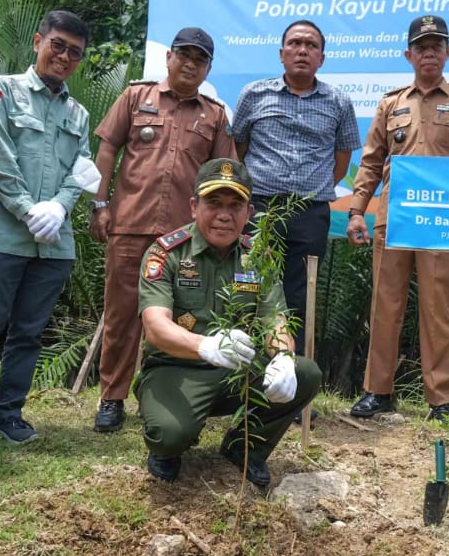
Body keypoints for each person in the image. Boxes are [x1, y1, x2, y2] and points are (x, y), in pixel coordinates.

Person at [0, 10, 98, 449]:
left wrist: (60, 206)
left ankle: (9, 415)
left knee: (29, 333)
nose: (65, 57)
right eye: (58, 45)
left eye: (75, 52)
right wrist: (30, 210)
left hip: (55, 246)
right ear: (38, 41)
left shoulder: (79, 112)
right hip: (4, 237)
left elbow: (83, 168)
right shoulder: (1, 91)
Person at [345, 15, 449, 423]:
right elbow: (372, 161)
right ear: (409, 54)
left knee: (438, 307)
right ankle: (378, 392)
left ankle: (439, 400)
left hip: (441, 221)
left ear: (448, 52)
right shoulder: (391, 103)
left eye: (437, 45)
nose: (429, 52)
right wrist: (357, 211)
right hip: (393, 219)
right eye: (422, 46)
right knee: (384, 304)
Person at [135, 159, 323, 487]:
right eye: (213, 203)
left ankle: (243, 448)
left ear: (249, 213)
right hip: (177, 368)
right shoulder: (166, 254)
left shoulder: (259, 256)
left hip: (237, 369)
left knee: (305, 373)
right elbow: (155, 326)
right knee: (168, 434)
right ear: (194, 207)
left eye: (235, 205)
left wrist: (282, 357)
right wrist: (205, 346)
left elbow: (274, 316)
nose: (224, 214)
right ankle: (168, 445)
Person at [88, 27, 237, 433]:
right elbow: (106, 149)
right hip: (130, 225)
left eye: (200, 59)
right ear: (169, 57)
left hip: (184, 240)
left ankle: (171, 398)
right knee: (121, 316)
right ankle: (112, 398)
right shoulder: (136, 97)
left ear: (208, 67)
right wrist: (100, 205)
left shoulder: (215, 115)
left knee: (184, 321)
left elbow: (224, 179)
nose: (190, 64)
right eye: (184, 55)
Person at [231, 19, 361, 316]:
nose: (302, 50)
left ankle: (293, 361)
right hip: (257, 208)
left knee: (300, 295)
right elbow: (238, 147)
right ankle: (244, 359)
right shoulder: (254, 94)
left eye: (311, 45)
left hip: (309, 213)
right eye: (295, 43)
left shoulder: (339, 102)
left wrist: (312, 186)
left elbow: (342, 156)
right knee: (249, 288)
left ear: (322, 58)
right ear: (281, 53)